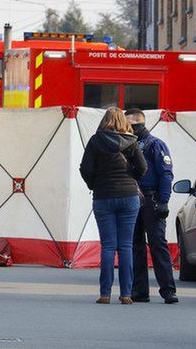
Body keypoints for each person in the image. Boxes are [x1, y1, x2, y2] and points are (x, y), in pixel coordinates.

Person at [79, 107, 147, 305]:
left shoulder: (95, 141)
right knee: (126, 246)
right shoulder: (131, 141)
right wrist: (130, 179)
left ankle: (105, 294)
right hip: (128, 197)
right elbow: (143, 168)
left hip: (103, 196)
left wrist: (95, 184)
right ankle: (126, 294)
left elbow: (85, 169)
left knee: (108, 246)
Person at [125, 109, 178, 304]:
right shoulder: (128, 145)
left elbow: (166, 174)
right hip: (132, 198)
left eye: (130, 126)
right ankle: (140, 290)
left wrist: (164, 200)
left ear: (139, 126)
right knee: (135, 246)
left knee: (157, 244)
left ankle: (168, 290)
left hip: (151, 198)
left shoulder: (155, 145)